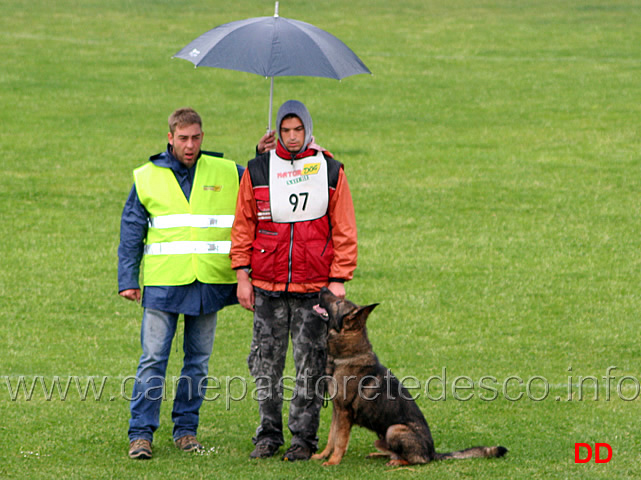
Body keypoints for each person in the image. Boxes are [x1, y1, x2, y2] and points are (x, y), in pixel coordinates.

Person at [230, 100, 358, 461]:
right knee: (265, 364)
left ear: (308, 130)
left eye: (297, 130)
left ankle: (304, 439)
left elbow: (344, 229)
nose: (291, 137)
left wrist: (338, 278)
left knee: (311, 365)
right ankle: (267, 436)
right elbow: (243, 227)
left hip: (313, 289)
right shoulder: (257, 170)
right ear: (277, 132)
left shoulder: (331, 171)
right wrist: (243, 276)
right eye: (285, 131)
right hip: (266, 287)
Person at [118, 107, 245, 460]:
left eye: (196, 138)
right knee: (153, 359)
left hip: (209, 284)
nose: (190, 145)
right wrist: (128, 279)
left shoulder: (226, 170)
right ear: (170, 138)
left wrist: (262, 153)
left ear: (203, 137)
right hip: (163, 285)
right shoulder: (146, 177)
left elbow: (259, 181)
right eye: (184, 138)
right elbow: (132, 231)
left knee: (198, 362)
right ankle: (141, 434)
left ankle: (186, 430)